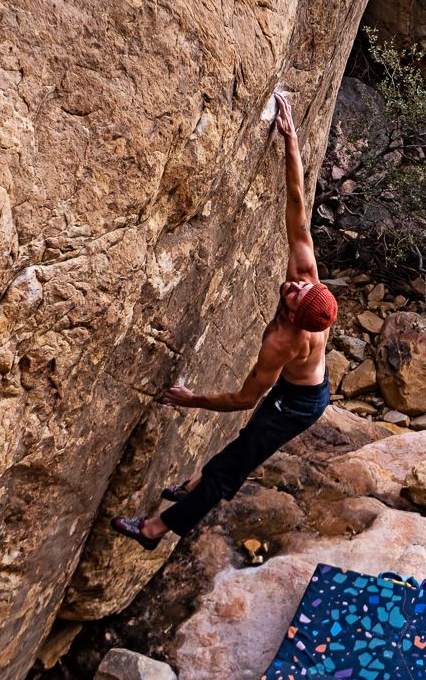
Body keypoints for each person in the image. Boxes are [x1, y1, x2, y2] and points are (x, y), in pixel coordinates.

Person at [111, 91, 337, 550]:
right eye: (300, 285)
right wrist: (290, 142)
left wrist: (192, 399)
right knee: (237, 450)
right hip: (304, 385)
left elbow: (243, 399)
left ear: (295, 318)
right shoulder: (308, 282)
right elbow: (297, 206)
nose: (292, 286)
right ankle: (193, 486)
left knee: (236, 461)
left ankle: (156, 530)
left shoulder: (283, 343)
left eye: (294, 295)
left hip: (299, 404)